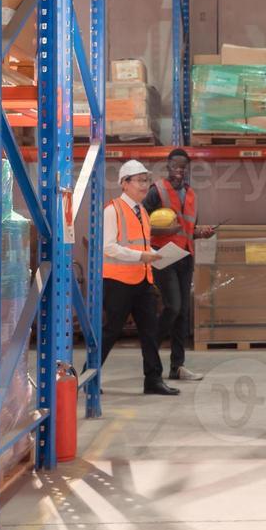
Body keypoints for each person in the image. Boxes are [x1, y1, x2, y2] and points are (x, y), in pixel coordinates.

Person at [100, 159, 175, 396]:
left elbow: (140, 245)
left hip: (143, 280)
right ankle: (88, 375)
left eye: (147, 180)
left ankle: (153, 380)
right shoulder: (112, 210)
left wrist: (155, 255)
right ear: (124, 183)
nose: (145, 185)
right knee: (111, 331)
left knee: (150, 332)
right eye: (140, 181)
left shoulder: (142, 211)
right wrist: (141, 256)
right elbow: (108, 247)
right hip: (118, 282)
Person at [143, 148, 216, 382]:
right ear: (168, 165)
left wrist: (200, 233)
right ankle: (150, 347)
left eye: (183, 167)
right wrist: (165, 230)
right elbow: (140, 224)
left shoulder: (192, 194)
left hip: (185, 256)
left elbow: (188, 229)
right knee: (173, 307)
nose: (179, 170)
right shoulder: (157, 191)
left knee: (183, 312)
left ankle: (178, 366)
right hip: (163, 256)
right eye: (175, 166)